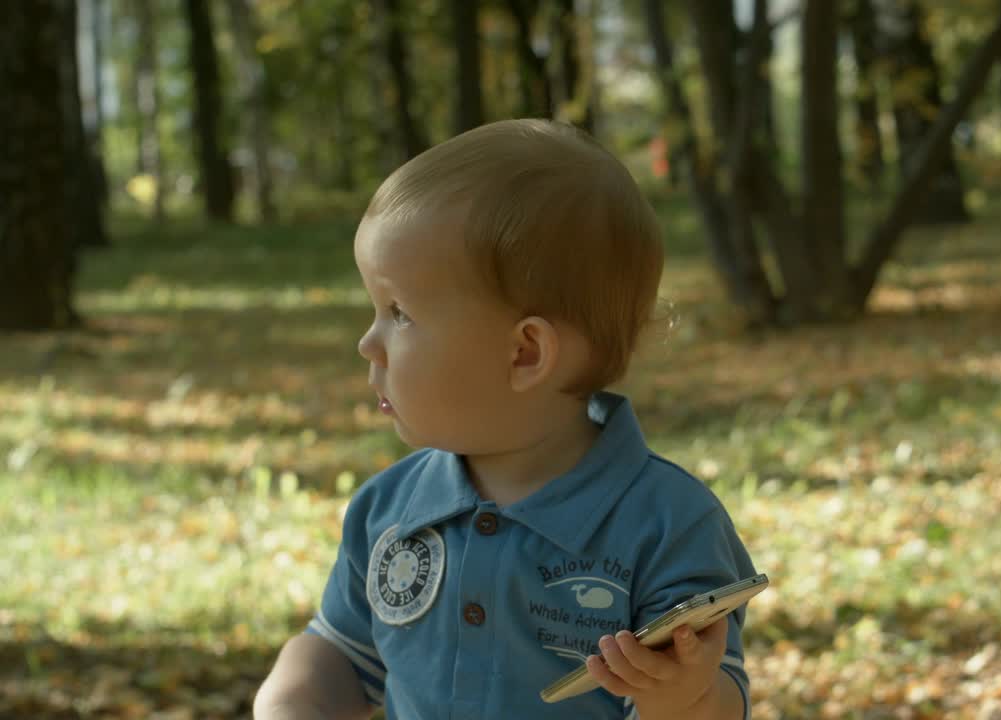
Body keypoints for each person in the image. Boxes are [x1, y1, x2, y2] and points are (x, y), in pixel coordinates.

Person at [253, 119, 756, 719]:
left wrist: (683, 696)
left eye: (399, 314)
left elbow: (718, 699)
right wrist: (296, 698)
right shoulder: (390, 511)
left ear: (525, 354)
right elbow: (343, 652)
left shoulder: (667, 524)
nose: (368, 343)